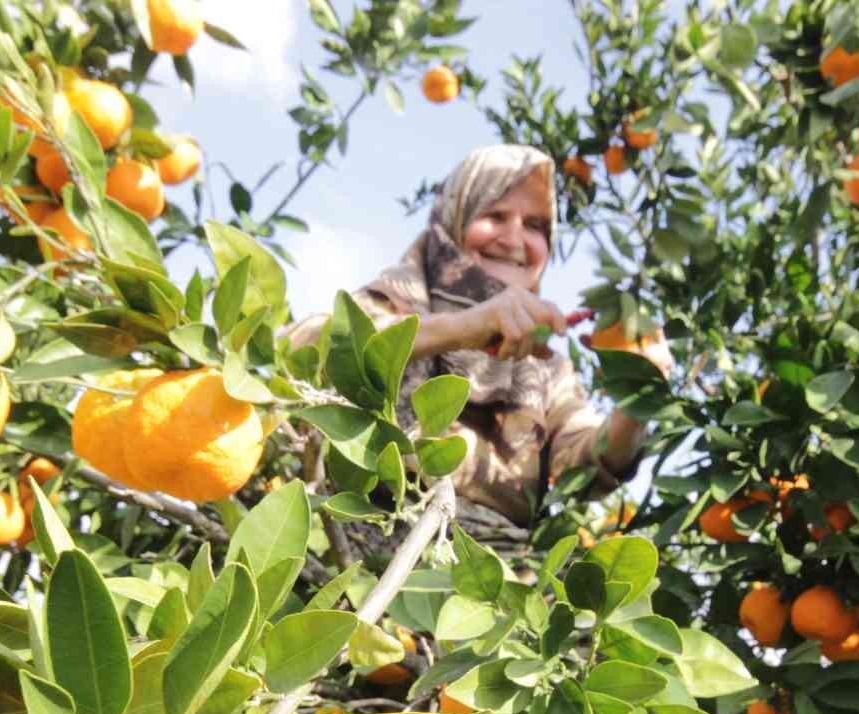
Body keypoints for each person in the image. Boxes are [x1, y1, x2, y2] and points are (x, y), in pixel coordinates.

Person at [284, 144, 671, 526]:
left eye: (535, 225)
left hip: (493, 571)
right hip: (364, 541)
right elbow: (296, 351)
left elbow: (583, 461)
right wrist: (466, 328)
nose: (514, 238)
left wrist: (637, 400)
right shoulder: (391, 304)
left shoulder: (547, 368)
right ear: (456, 216)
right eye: (495, 215)